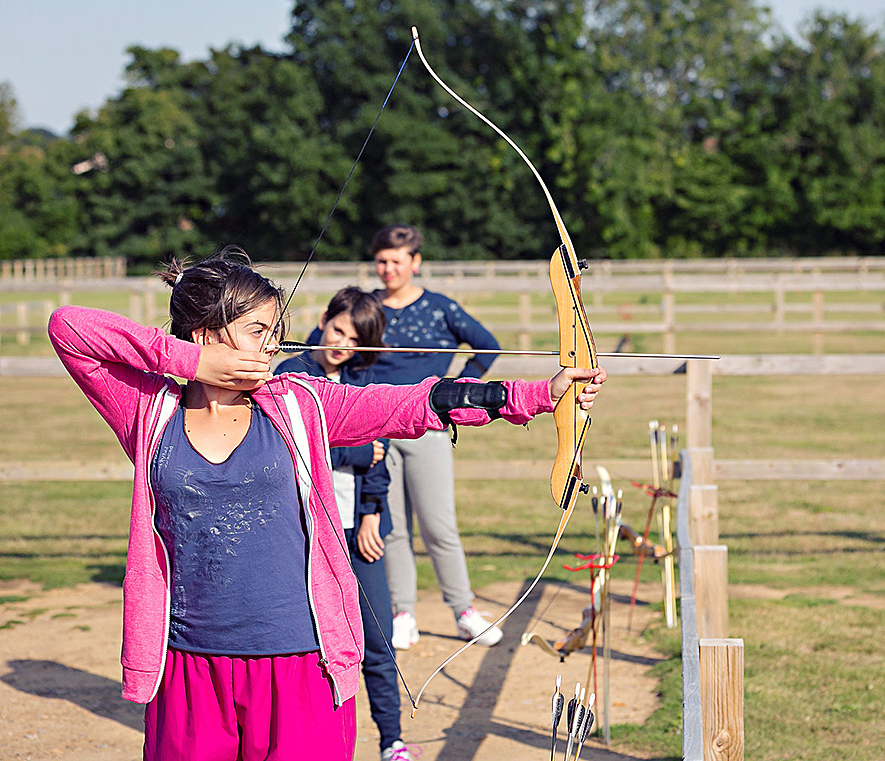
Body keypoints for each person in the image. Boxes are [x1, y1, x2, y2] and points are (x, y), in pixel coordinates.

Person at [47, 247, 606, 761]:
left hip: (301, 660)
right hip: (188, 663)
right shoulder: (148, 410)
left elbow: (413, 404)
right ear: (205, 333)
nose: (274, 345)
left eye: (277, 331)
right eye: (258, 330)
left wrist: (538, 394)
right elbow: (69, 327)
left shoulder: (300, 403)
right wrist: (190, 362)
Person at [312, 224, 503, 650]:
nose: (388, 269)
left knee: (439, 524)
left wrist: (455, 392)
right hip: (375, 429)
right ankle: (403, 612)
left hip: (426, 427)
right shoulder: (365, 308)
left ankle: (464, 609)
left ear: (415, 262)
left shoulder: (439, 308)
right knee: (392, 527)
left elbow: (487, 345)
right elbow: (320, 343)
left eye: (397, 261)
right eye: (381, 261)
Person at [274, 287, 411, 761]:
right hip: (306, 535)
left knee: (378, 639)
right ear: (323, 320)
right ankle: (316, 741)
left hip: (358, 532)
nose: (342, 345)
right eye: (338, 331)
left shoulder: (361, 378)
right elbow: (292, 448)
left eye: (355, 340)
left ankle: (392, 741)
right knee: (313, 646)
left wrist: (372, 511)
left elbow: (381, 452)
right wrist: (356, 450)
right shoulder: (290, 375)